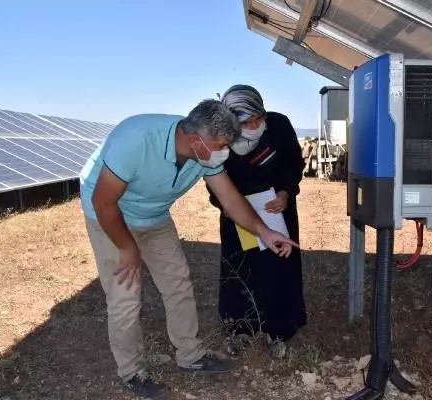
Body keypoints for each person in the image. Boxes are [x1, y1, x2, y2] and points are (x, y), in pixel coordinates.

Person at [79, 99, 298, 399]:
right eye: (220, 145)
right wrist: (127, 248)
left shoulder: (204, 154)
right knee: (125, 297)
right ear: (195, 140)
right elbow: (103, 202)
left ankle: (190, 356)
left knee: (178, 283)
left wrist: (265, 231)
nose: (225, 152)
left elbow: (231, 201)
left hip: (154, 216)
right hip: (110, 213)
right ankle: (132, 372)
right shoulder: (135, 139)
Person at [207, 85, 307, 357]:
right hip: (237, 216)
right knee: (240, 269)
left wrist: (286, 192)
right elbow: (214, 184)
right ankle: (240, 328)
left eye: (258, 119)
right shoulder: (220, 139)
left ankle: (280, 330)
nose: (254, 126)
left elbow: (294, 164)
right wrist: (227, 207)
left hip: (277, 211)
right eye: (246, 122)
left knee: (279, 266)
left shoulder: (278, 126)